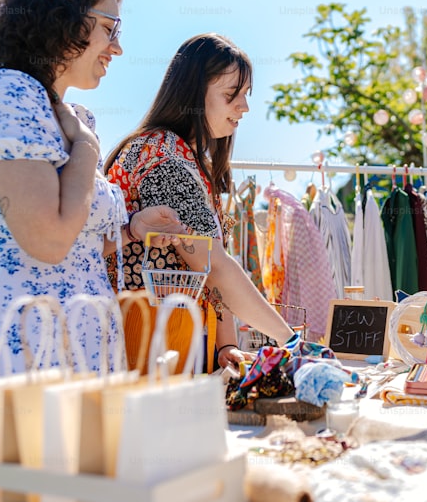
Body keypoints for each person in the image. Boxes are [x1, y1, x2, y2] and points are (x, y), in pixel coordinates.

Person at [0, 0, 185, 502]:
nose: (117, 46)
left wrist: (131, 228)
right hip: (21, 344)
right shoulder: (7, 94)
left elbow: (77, 238)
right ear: (63, 21)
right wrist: (88, 148)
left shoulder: (66, 111)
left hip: (77, 340)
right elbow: (45, 238)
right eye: (109, 28)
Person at [104, 33, 295, 371]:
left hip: (160, 341)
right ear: (192, 93)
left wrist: (227, 344)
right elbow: (213, 266)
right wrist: (289, 339)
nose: (244, 107)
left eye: (245, 95)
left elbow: (205, 269)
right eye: (231, 95)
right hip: (153, 346)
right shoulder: (167, 161)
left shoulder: (176, 154)